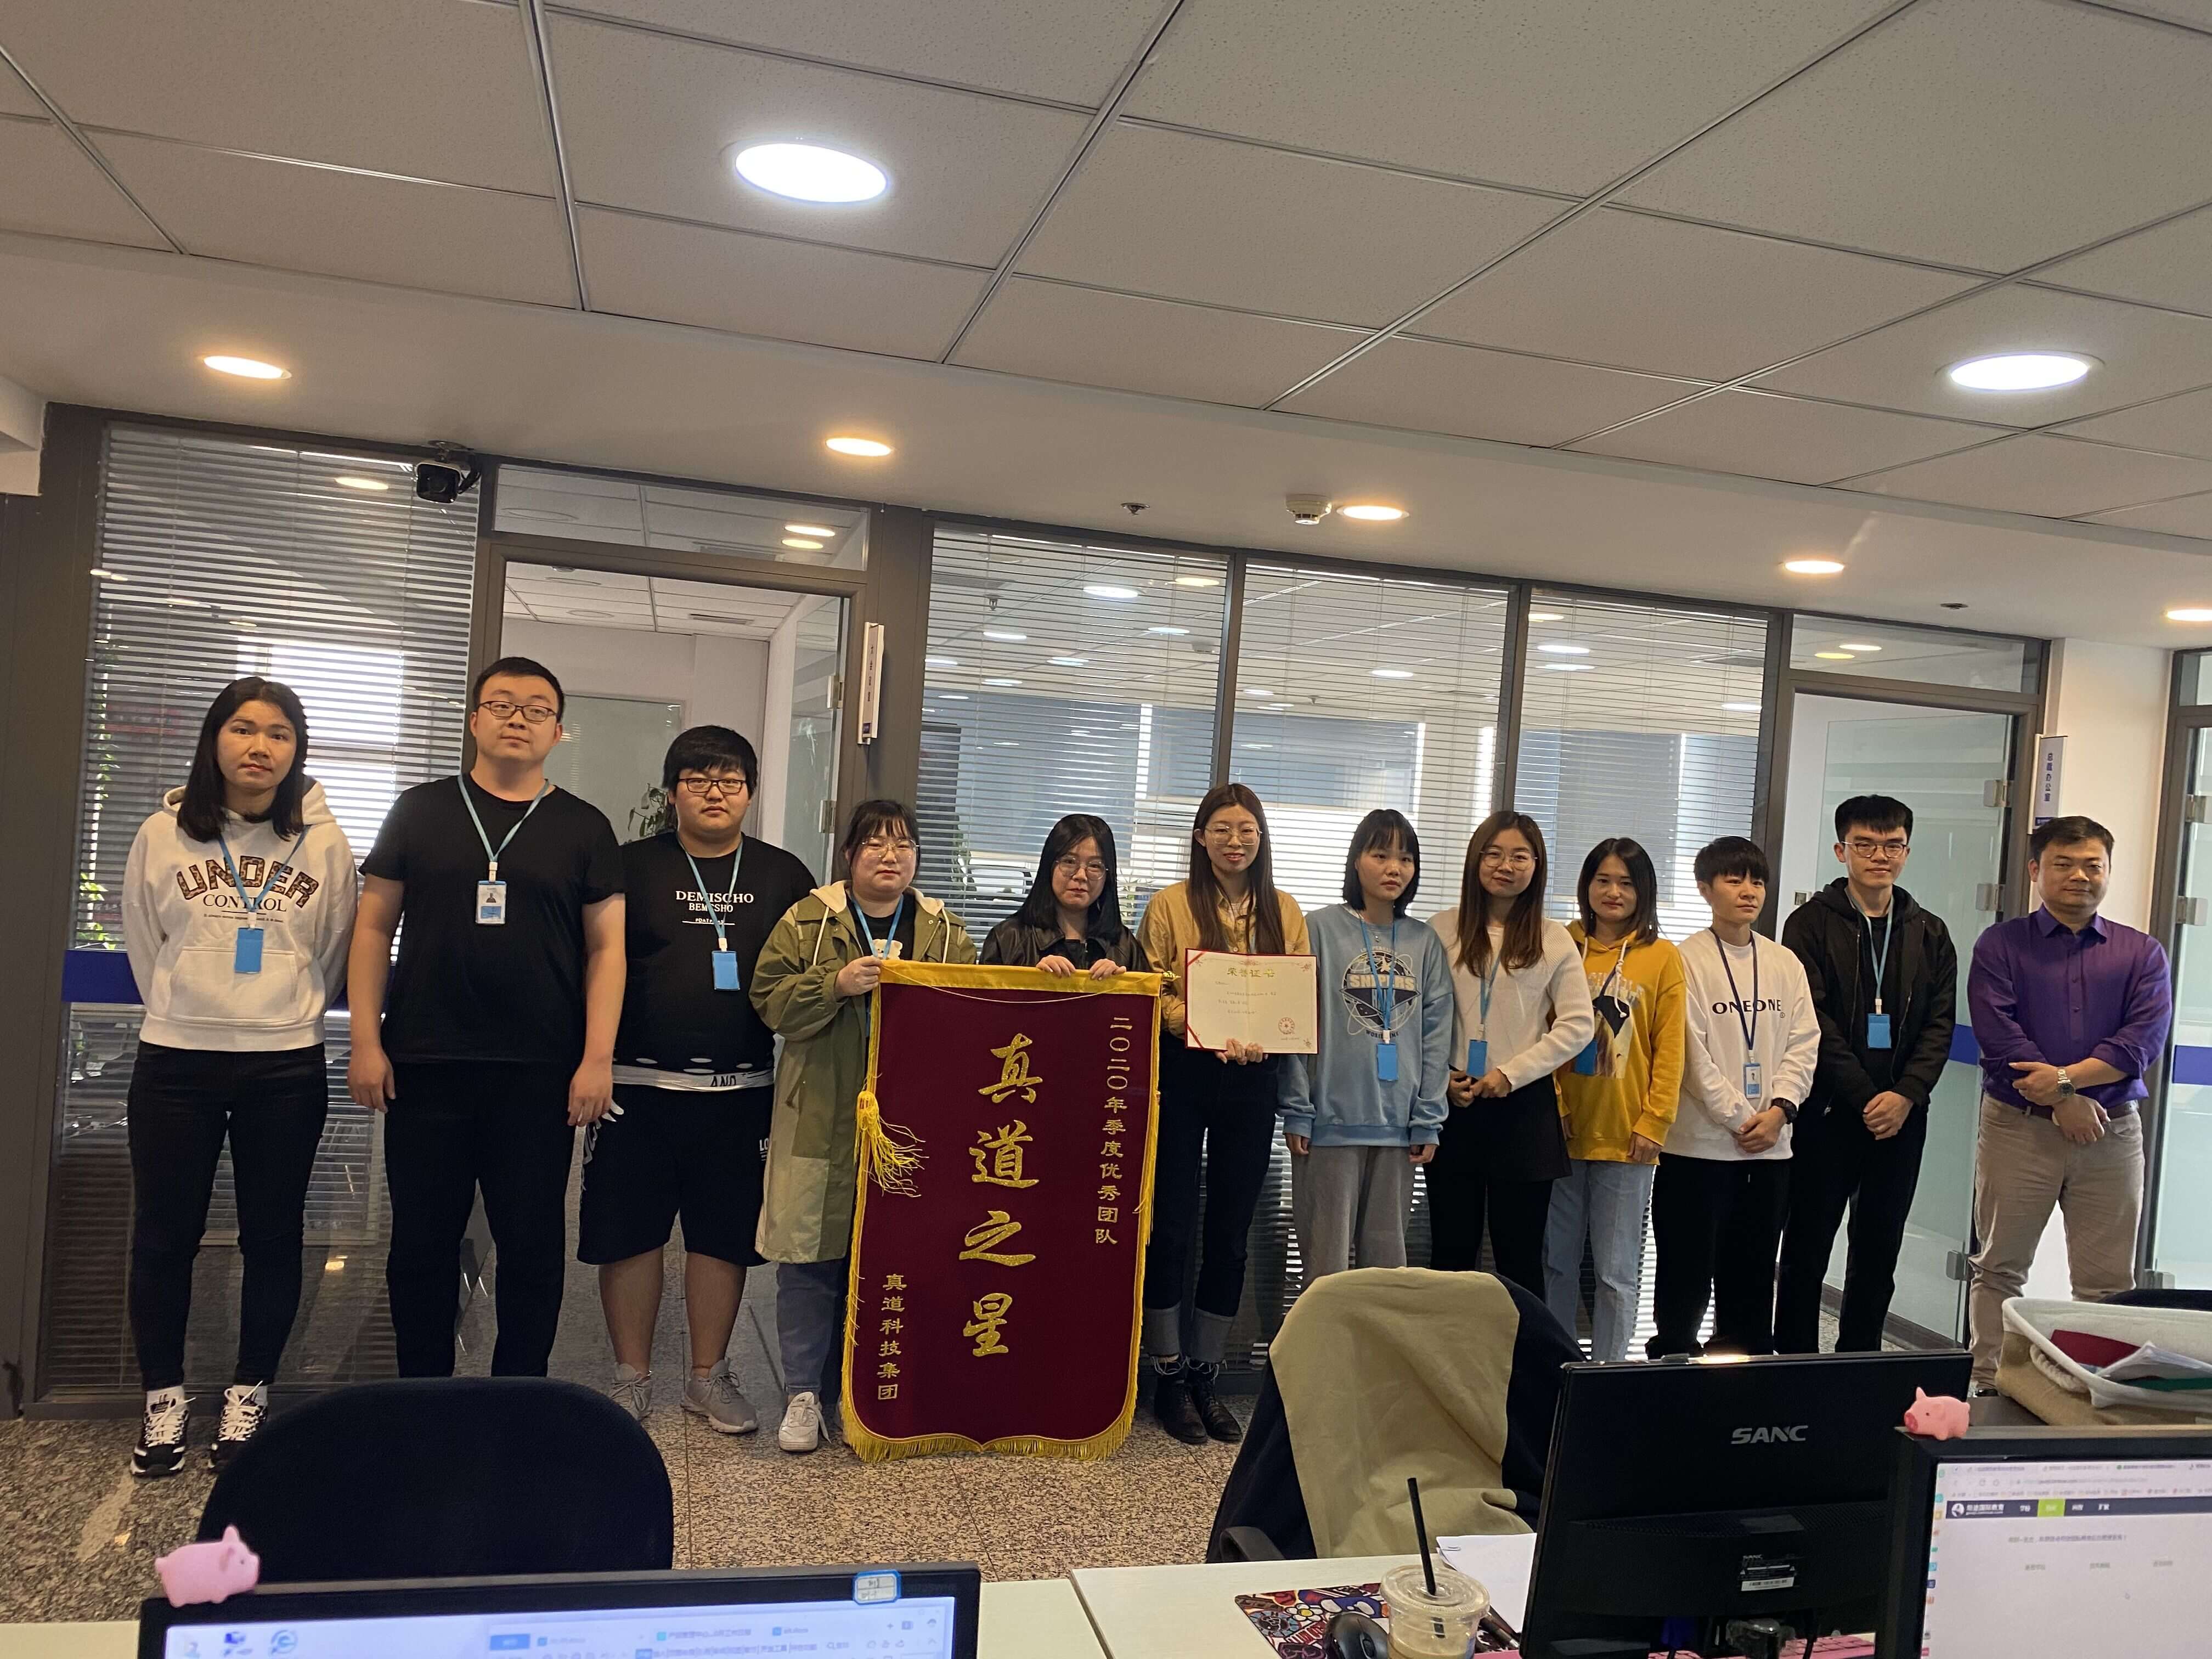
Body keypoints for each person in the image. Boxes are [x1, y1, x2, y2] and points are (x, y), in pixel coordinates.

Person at [347, 657, 625, 1378]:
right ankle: (422, 1399)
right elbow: (373, 928)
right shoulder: (419, 810)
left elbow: (607, 949)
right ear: (474, 720)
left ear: (558, 732)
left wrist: (597, 1059)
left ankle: (518, 1398)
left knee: (531, 1248)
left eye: (537, 709)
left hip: (539, 1073)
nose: (517, 719)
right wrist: (365, 1041)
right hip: (425, 1065)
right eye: (501, 704)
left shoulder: (584, 826)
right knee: (421, 1247)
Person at [120, 678, 358, 1476]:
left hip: (284, 1063)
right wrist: (189, 1006)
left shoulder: (323, 843)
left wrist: (280, 1008)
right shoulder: (162, 833)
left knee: (273, 1235)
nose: (261, 747)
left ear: (298, 750)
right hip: (176, 1060)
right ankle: (163, 1401)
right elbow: (143, 941)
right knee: (165, 1236)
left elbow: (331, 950)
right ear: (214, 740)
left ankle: (248, 1394)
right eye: (244, 729)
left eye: (280, 734)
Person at [582, 727, 815, 1429]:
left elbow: (806, 979)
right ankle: (631, 1377)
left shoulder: (782, 874)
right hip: (636, 1090)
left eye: (731, 780)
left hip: (740, 1093)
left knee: (722, 1237)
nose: (716, 792)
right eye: (698, 779)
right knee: (631, 1236)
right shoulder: (629, 866)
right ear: (671, 792)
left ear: (750, 792)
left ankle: (708, 1378)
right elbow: (594, 962)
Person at [752, 799, 975, 1454]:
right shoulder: (808, 920)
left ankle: (880, 1392)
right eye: (875, 843)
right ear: (849, 854)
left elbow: (976, 1014)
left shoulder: (943, 930)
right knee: (809, 1257)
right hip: (820, 1118)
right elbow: (770, 1003)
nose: (890, 856)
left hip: (914, 1127)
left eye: (903, 844)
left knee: (900, 1259)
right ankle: (802, 1394)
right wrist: (835, 984)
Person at [1965, 815, 2171, 1387]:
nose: (2080, 876)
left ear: (2108, 871)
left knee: (2108, 1282)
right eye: (2064, 863)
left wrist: (2063, 1086)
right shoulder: (2000, 945)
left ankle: (2099, 1387)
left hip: (2111, 1131)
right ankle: (1990, 1383)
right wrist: (2064, 1100)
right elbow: (2000, 1038)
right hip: (2018, 1127)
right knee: (2000, 1267)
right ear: (2036, 870)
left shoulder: (2142, 952)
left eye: (2093, 865)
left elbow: (2140, 1043)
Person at [1135, 782, 1310, 1446]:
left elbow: (1293, 994)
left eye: (1247, 830)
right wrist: (1204, 1025)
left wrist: (1267, 1036)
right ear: (1200, 837)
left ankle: (1206, 1373)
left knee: (1232, 1231)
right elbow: (1153, 988)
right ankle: (1168, 1373)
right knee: (1171, 1227)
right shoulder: (1169, 903)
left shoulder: (1283, 909)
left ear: (1261, 839)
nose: (1235, 842)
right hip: (1185, 1072)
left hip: (1254, 1078)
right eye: (1222, 829)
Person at [1775, 795, 1957, 1355]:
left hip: (1901, 1120)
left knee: (1879, 1251)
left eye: (1892, 845)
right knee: (1807, 1247)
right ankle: (1795, 1365)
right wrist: (1864, 1095)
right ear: (1842, 851)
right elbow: (1812, 1020)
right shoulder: (1809, 925)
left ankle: (1861, 1362)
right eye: (1866, 845)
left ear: (1907, 851)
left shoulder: (1929, 931)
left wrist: (1905, 1096)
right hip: (1828, 1112)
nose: (1881, 856)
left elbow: (1940, 1024)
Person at [1648, 836, 1818, 1358]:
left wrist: (1780, 1111)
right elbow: (1689, 1055)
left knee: (1752, 1281)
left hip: (1771, 1151)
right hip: (1697, 1149)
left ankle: (1743, 1387)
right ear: (1705, 888)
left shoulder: (1785, 962)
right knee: (1685, 1279)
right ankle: (1673, 1379)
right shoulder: (1683, 960)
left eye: (1757, 881)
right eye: (1734, 879)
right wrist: (1742, 1118)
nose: (1749, 891)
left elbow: (1804, 1043)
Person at [1279, 809, 1453, 1282]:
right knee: (1325, 1271)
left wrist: (1429, 1117)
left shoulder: (1424, 941)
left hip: (1399, 1132)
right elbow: (1293, 1022)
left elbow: (1437, 1035)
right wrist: (1297, 1108)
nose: (1394, 868)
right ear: (1356, 860)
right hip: (1329, 1126)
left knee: (1386, 1276)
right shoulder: (1317, 929)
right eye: (1380, 855)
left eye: (1406, 858)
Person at [1425, 811, 1594, 1293]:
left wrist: (1511, 1074)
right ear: (1475, 860)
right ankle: (1449, 1345)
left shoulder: (1553, 937)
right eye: (1494, 854)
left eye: (1520, 856)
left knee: (1520, 1261)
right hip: (1454, 1105)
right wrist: (1440, 1077)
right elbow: (1418, 1018)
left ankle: (1522, 1346)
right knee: (1450, 1255)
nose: (1506, 866)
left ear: (1537, 866)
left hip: (1523, 1110)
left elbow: (1579, 1024)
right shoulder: (1440, 930)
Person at [1542, 837, 1685, 1363]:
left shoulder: (1663, 957)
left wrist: (1655, 1122)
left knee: (1616, 1274)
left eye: (1626, 883)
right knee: (1556, 1264)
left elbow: (1671, 1049)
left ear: (1644, 891)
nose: (1613, 892)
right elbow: (1538, 1029)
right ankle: (1557, 1370)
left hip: (1628, 1138)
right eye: (1603, 880)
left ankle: (1607, 1376)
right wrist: (1553, 1107)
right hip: (1562, 1132)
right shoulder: (1561, 943)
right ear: (1586, 886)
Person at [979, 814, 1148, 976]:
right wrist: (1032, 979)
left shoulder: (1124, 945)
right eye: (1069, 862)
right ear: (1049, 866)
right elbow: (984, 995)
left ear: (1107, 876)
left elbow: (1146, 994)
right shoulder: (1008, 938)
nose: (1081, 876)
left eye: (1095, 866)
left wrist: (1120, 985)